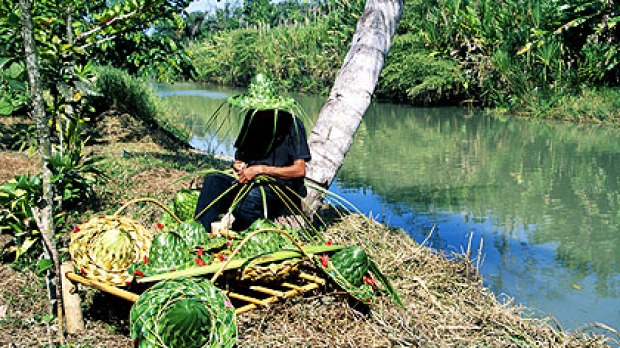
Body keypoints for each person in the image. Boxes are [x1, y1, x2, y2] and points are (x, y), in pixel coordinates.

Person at [194, 74, 311, 232]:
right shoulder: (253, 119)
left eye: (264, 110)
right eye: (256, 109)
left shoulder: (292, 124)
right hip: (250, 184)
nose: (260, 114)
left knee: (248, 200)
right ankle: (200, 232)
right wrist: (239, 164)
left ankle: (243, 237)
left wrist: (261, 169)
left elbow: (299, 170)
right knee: (212, 182)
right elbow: (241, 155)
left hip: (280, 189)